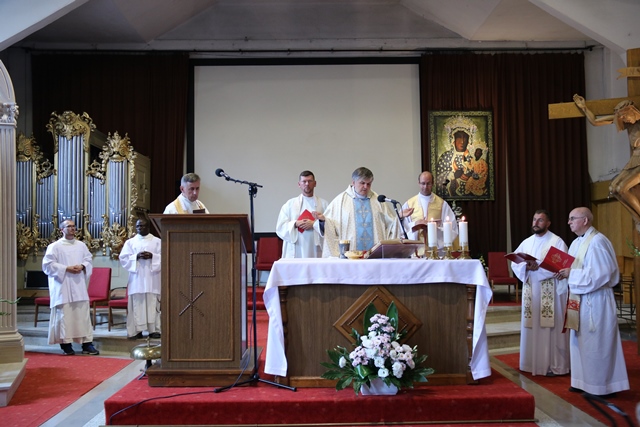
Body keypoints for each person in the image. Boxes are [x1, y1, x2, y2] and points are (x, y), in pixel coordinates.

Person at [556, 207, 629, 397]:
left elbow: (602, 274)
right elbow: (572, 269)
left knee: (597, 343)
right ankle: (582, 381)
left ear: (585, 220)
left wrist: (571, 274)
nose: (569, 222)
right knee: (579, 342)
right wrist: (563, 273)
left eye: (572, 218)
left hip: (596, 300)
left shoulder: (597, 241)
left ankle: (600, 386)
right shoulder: (575, 243)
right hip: (579, 298)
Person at [510, 210, 569, 377]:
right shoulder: (527, 242)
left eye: (540, 220)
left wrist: (538, 267)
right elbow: (515, 263)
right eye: (534, 219)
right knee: (533, 325)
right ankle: (530, 363)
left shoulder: (557, 242)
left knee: (550, 327)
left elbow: (562, 266)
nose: (536, 223)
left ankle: (553, 364)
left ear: (548, 223)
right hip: (532, 291)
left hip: (550, 291)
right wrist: (526, 266)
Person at [573, 94, 640, 227]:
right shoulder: (627, 122)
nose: (624, 120)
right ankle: (637, 219)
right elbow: (595, 122)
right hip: (635, 158)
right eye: (622, 118)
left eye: (625, 116)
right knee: (613, 188)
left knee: (622, 188)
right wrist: (584, 107)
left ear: (632, 111)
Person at [42, 219, 99, 356]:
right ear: (61, 229)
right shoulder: (54, 246)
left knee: (82, 316)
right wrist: (66, 268)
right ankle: (66, 345)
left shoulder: (81, 245)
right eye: (69, 226)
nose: (72, 228)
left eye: (74, 226)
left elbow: (88, 259)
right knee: (65, 316)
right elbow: (47, 265)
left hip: (78, 285)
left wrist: (83, 266)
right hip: (63, 286)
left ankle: (87, 344)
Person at [321, 167, 401, 257]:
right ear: (353, 182)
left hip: (375, 256)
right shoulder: (340, 201)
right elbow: (330, 225)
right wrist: (323, 221)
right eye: (362, 183)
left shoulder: (378, 201)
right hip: (350, 256)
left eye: (368, 184)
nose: (366, 187)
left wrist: (400, 218)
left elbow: (391, 226)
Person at [119, 218, 162, 340]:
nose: (140, 228)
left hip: (152, 279)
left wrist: (153, 256)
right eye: (138, 226)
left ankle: (154, 330)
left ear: (148, 227)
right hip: (136, 279)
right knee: (136, 305)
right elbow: (123, 258)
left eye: (142, 226)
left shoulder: (157, 241)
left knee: (152, 304)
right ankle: (136, 330)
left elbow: (165, 257)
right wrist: (136, 257)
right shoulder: (130, 242)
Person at [275, 170, 328, 258]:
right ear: (299, 184)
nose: (307, 184)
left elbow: (331, 226)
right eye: (304, 181)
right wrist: (295, 224)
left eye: (310, 181)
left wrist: (314, 224)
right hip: (297, 248)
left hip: (315, 249)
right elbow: (280, 227)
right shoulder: (289, 204)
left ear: (315, 183)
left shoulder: (324, 204)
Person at [401, 171, 458, 250]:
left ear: (433, 183)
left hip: (436, 249)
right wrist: (416, 223)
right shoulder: (409, 204)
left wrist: (436, 227)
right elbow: (402, 229)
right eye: (423, 183)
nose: (425, 187)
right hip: (415, 250)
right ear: (418, 183)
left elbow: (452, 229)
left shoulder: (442, 204)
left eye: (428, 183)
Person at [436, 130, 471, 197]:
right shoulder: (445, 157)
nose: (462, 141)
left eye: (465, 138)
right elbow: (440, 184)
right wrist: (452, 176)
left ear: (468, 141)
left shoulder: (472, 159)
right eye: (459, 137)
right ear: (453, 140)